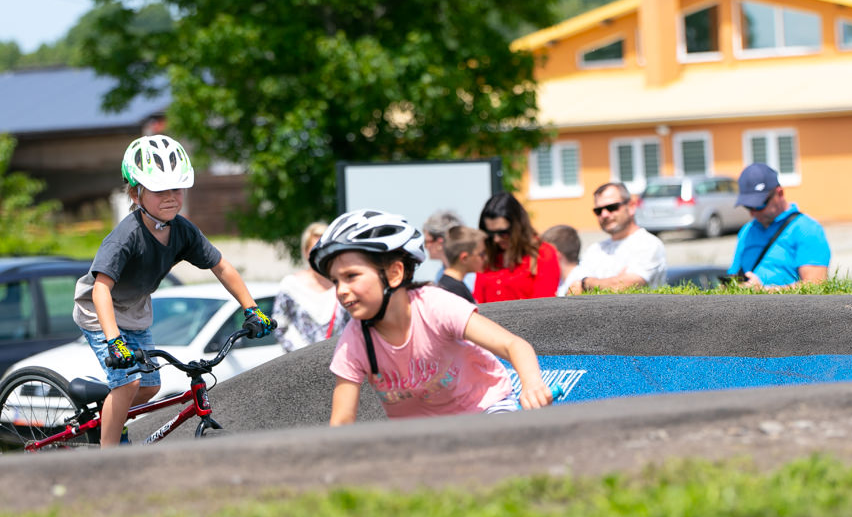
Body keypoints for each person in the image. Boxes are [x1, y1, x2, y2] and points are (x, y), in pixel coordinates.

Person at [72, 134, 275, 448]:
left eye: (177, 189)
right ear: (136, 193)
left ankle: (110, 409)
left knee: (150, 386)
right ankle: (108, 456)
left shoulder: (182, 231)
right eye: (159, 190)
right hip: (100, 313)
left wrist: (251, 309)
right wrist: (114, 341)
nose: (170, 197)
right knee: (128, 383)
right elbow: (100, 289)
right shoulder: (126, 236)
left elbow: (221, 266)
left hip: (136, 312)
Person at [308, 209, 553, 425]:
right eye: (336, 280)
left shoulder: (434, 305)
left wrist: (532, 385)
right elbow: (341, 421)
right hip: (426, 436)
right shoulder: (355, 339)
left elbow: (514, 345)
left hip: (486, 410)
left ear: (394, 273)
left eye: (351, 276)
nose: (341, 290)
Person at [728, 163, 830, 288]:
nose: (753, 213)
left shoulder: (807, 229)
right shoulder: (747, 231)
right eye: (748, 206)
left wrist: (763, 292)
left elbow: (816, 286)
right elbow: (734, 278)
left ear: (780, 193)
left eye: (759, 205)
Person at [567, 182, 666, 294]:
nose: (604, 214)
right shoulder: (594, 250)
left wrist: (586, 283)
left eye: (611, 207)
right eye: (598, 211)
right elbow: (572, 290)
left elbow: (624, 286)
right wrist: (612, 282)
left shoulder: (648, 244)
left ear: (631, 207)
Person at [272, 221, 349, 352]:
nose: (320, 254)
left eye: (325, 249)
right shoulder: (290, 286)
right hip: (301, 365)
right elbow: (279, 327)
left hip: (340, 363)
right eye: (314, 249)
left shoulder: (343, 285)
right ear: (305, 251)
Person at [473, 193, 560, 303]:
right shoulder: (487, 254)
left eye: (503, 233)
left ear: (518, 227)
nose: (496, 239)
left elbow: (543, 306)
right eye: (490, 233)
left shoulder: (542, 254)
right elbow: (478, 302)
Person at [438, 225, 488, 304]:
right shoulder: (455, 291)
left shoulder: (449, 285)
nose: (486, 258)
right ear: (464, 258)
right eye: (481, 254)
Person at [540, 224, 581, 297]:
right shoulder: (560, 282)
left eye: (543, 252)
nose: (539, 257)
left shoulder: (581, 281)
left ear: (556, 254)